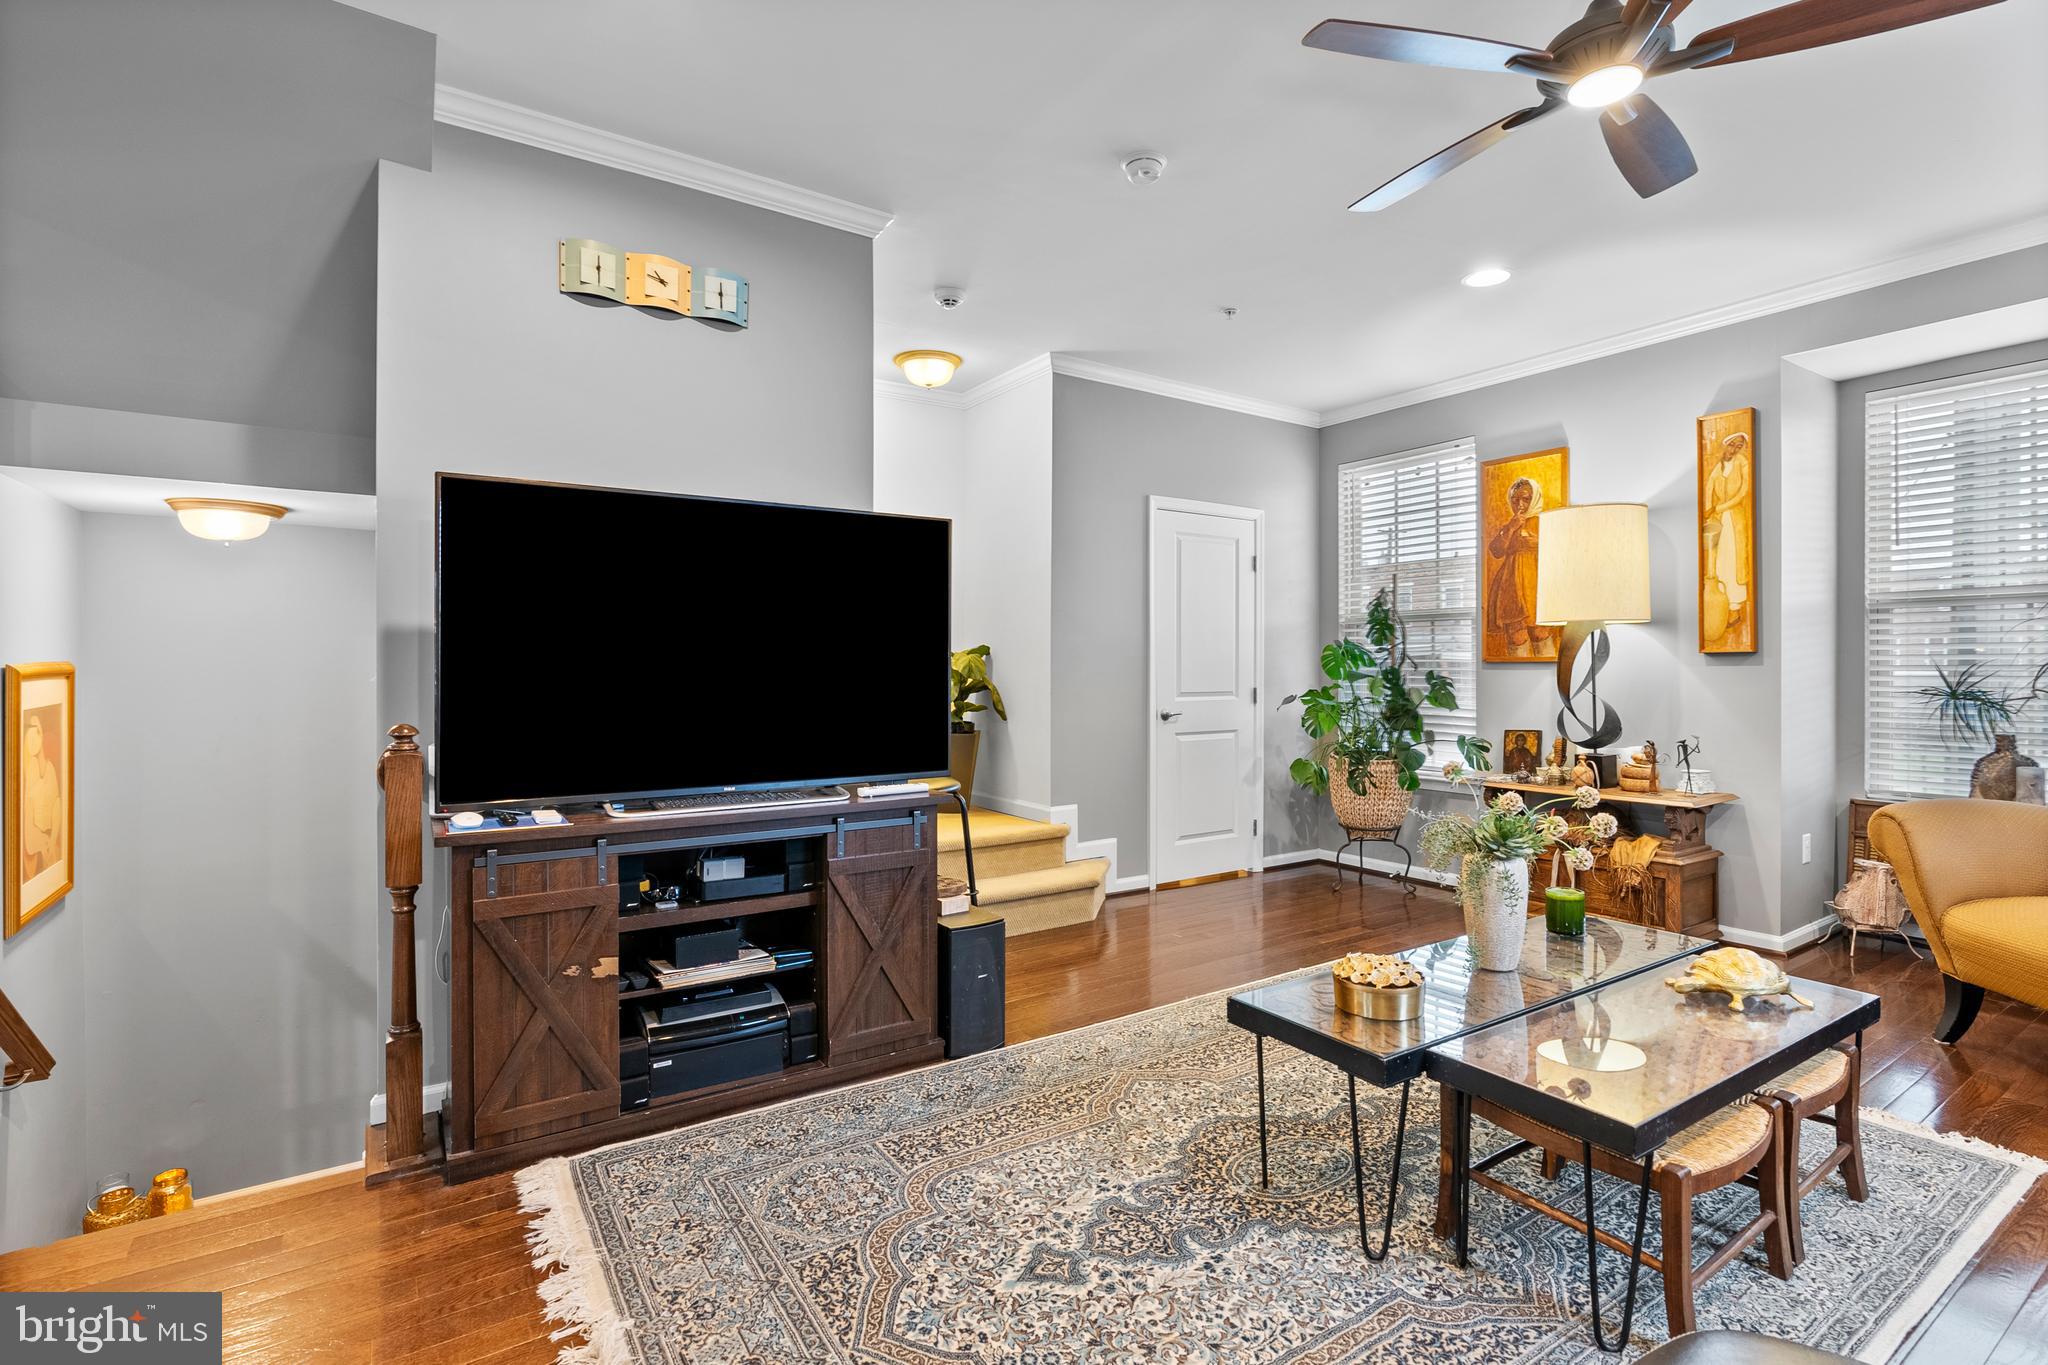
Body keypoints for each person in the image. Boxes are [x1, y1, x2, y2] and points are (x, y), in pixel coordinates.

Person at [1487, 477, 1550, 657]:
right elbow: (1496, 550)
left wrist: (1537, 543)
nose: (1520, 505)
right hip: (1511, 586)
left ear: (1535, 498)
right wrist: (1511, 527)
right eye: (1515, 500)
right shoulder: (1510, 526)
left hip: (1535, 583)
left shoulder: (1545, 523)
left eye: (1526, 499)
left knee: (1539, 633)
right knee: (1516, 635)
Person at [1703, 431, 1752, 645]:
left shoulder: (1742, 463)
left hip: (1734, 519)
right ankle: (1721, 607)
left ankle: (1735, 608)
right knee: (1719, 562)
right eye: (1732, 445)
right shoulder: (1719, 466)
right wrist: (1707, 509)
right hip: (1719, 520)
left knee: (1733, 563)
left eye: (1739, 446)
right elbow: (1709, 488)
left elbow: (1743, 492)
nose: (1734, 449)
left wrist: (1720, 507)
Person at [22, 711, 62, 879]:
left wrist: (51, 842)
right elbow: (28, 817)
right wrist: (43, 843)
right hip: (35, 844)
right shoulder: (28, 770)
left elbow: (56, 805)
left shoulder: (49, 768)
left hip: (49, 840)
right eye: (30, 732)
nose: (34, 739)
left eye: (37, 731)